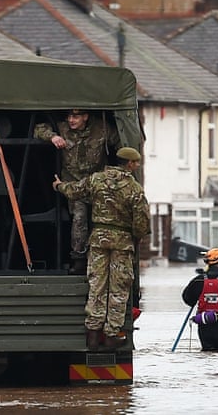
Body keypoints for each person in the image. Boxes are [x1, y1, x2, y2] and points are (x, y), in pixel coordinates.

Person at [52, 147, 150, 350]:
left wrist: (59, 185)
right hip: (122, 242)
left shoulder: (96, 179)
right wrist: (137, 237)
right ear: (130, 164)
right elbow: (141, 222)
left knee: (97, 285)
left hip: (98, 240)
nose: (137, 166)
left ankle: (93, 335)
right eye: (137, 163)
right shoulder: (134, 188)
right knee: (118, 288)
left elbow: (74, 191)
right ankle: (112, 334)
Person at [35, 109, 120, 274]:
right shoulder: (63, 128)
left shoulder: (102, 128)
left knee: (101, 220)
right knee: (79, 218)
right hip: (74, 184)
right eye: (69, 116)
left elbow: (120, 142)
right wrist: (52, 136)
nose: (71, 120)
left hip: (96, 183)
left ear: (85, 117)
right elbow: (38, 129)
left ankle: (102, 259)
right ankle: (79, 258)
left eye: (75, 116)